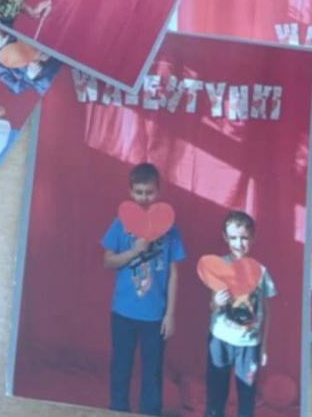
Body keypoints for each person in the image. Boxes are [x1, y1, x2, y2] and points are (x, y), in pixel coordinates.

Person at [101, 162, 185, 416]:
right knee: (121, 366)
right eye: (138, 192)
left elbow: (173, 273)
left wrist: (170, 314)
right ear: (130, 192)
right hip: (123, 312)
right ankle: (118, 409)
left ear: (158, 191)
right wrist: (134, 251)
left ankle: (150, 411)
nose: (144, 197)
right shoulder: (120, 223)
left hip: (154, 315)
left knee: (153, 371)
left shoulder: (170, 229)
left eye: (149, 192)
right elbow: (108, 261)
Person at [204, 211, 276, 417]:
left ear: (252, 238)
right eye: (233, 237)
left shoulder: (261, 271)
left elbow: (266, 311)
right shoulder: (218, 266)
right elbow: (211, 305)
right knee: (216, 393)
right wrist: (216, 303)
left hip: (249, 345)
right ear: (225, 237)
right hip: (220, 340)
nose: (239, 243)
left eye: (244, 238)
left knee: (247, 394)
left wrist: (264, 346)